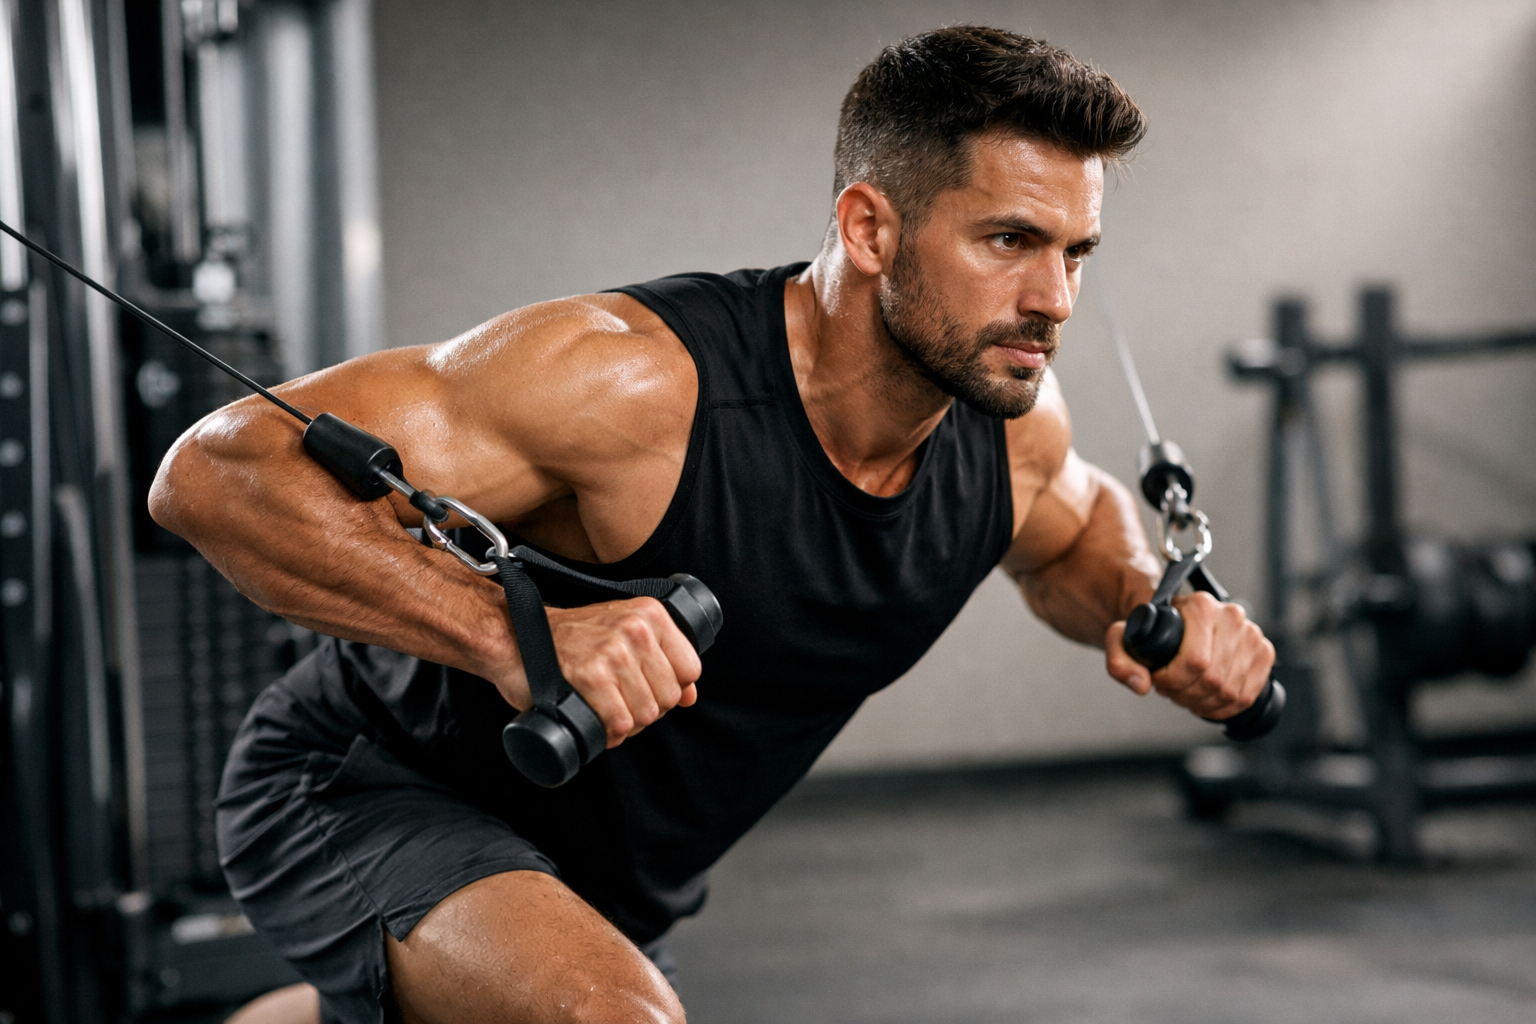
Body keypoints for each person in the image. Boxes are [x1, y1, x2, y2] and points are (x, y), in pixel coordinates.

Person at [152, 25, 1275, 1024]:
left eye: (1075, 253)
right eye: (1009, 241)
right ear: (870, 227)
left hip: (605, 881)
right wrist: (512, 633)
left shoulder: (1005, 430)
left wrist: (1154, 606)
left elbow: (1076, 535)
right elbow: (216, 474)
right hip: (361, 786)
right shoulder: (632, 387)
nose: (1055, 300)